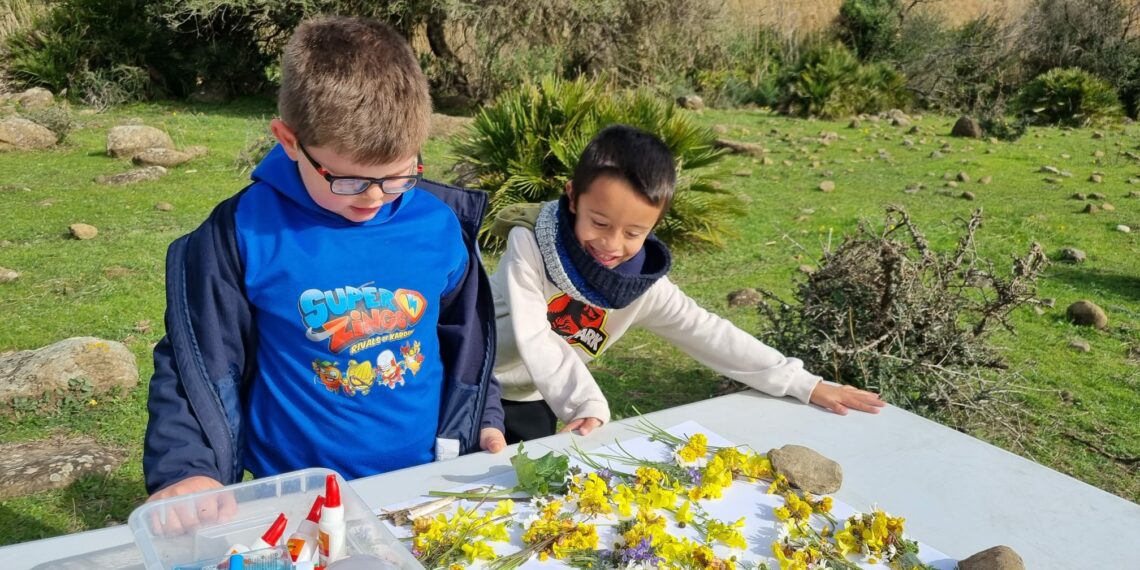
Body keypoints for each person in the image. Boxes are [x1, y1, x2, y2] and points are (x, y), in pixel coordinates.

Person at [143, 16, 506, 509]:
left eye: (400, 176)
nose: (375, 198)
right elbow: (195, 361)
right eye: (351, 181)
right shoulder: (243, 232)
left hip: (422, 486)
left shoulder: (439, 226)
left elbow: (467, 345)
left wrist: (484, 416)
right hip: (292, 496)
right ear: (289, 140)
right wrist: (186, 468)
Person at [489, 124, 884, 443]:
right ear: (573, 198)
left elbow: (706, 331)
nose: (612, 245)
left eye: (634, 232)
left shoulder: (638, 285)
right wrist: (588, 402)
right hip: (474, 384)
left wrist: (802, 383)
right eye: (600, 223)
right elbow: (535, 335)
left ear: (654, 226)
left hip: (538, 396)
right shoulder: (531, 245)